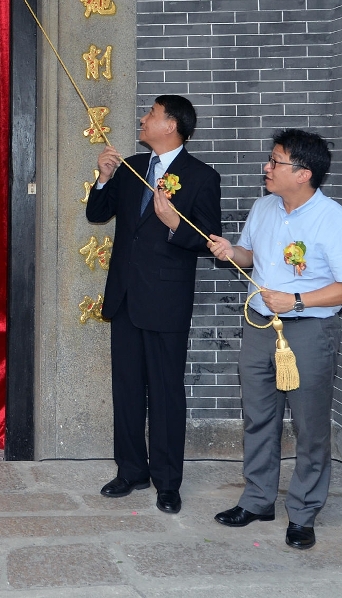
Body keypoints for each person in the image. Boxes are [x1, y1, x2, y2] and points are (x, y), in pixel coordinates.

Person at [207, 130, 342, 550]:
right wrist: (230, 252)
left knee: (310, 426)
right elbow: (251, 256)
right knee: (259, 417)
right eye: (270, 160)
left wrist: (296, 299)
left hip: (309, 331)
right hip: (260, 326)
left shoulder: (335, 221)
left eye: (276, 162)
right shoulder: (264, 207)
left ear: (304, 173)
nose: (267, 169)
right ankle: (257, 499)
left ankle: (304, 511)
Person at [85, 95, 222, 514]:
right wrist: (105, 177)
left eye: (152, 115)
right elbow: (96, 213)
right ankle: (130, 471)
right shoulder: (129, 168)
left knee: (164, 392)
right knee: (126, 388)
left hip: (166, 300)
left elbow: (209, 239)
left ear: (172, 126)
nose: (143, 119)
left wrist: (175, 224)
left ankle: (167, 481)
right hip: (125, 296)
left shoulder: (201, 176)